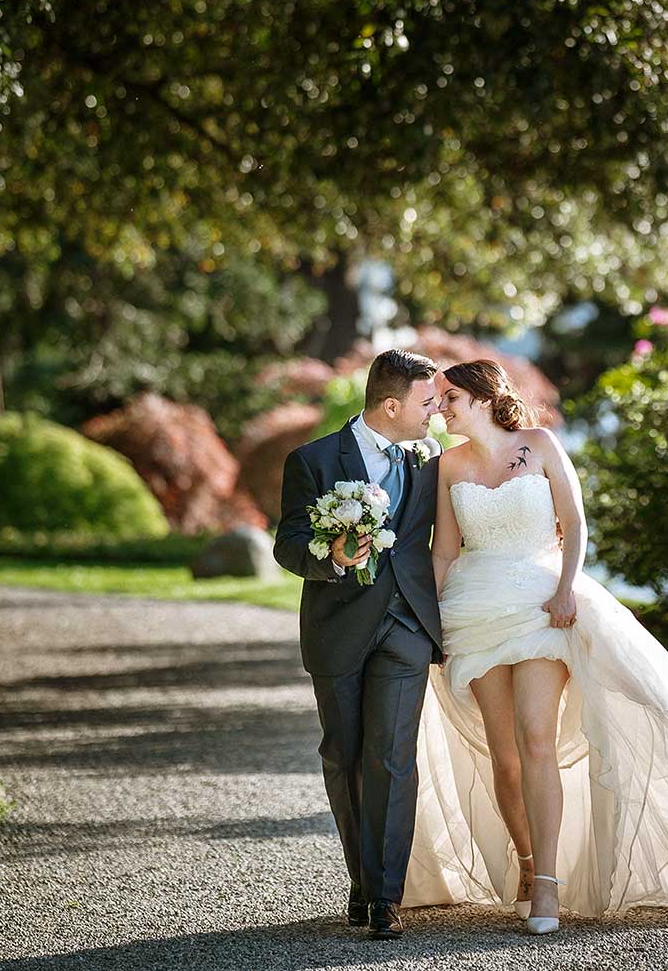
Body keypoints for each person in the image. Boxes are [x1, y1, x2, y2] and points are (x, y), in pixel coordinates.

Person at [401, 359, 668, 933]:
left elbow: (575, 523)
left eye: (451, 396)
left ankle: (550, 890)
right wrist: (429, 624)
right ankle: (529, 865)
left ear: (483, 398)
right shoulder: (448, 465)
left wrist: (565, 590)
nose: (442, 407)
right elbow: (444, 552)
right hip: (474, 614)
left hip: (542, 607)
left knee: (537, 738)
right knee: (503, 754)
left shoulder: (539, 444)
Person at [271, 349, 444, 940]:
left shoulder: (431, 458)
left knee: (392, 758)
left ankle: (385, 898)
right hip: (339, 627)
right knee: (344, 757)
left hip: (408, 626)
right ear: (391, 406)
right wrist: (333, 557)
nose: (435, 412)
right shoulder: (313, 460)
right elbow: (289, 543)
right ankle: (363, 880)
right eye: (426, 403)